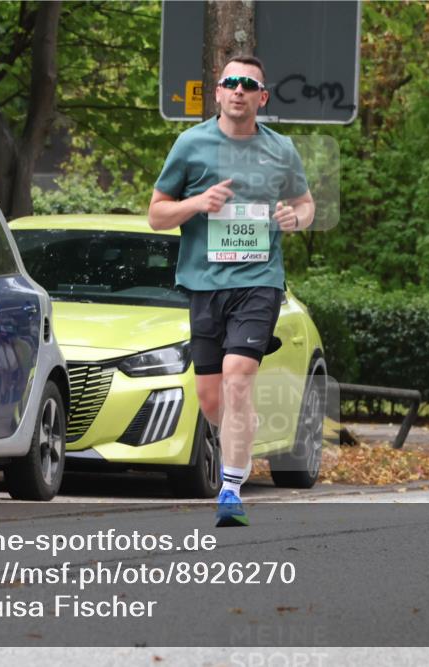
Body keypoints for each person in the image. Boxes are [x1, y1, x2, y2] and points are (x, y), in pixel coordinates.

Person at [148, 55, 315, 527]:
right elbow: (157, 214)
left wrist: (295, 218)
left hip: (259, 281)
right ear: (218, 92)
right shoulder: (191, 144)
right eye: (231, 82)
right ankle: (244, 429)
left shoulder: (281, 149)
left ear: (262, 97)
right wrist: (198, 202)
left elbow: (305, 204)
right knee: (213, 400)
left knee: (238, 376)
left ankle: (230, 491)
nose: (239, 90)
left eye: (249, 84)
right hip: (204, 285)